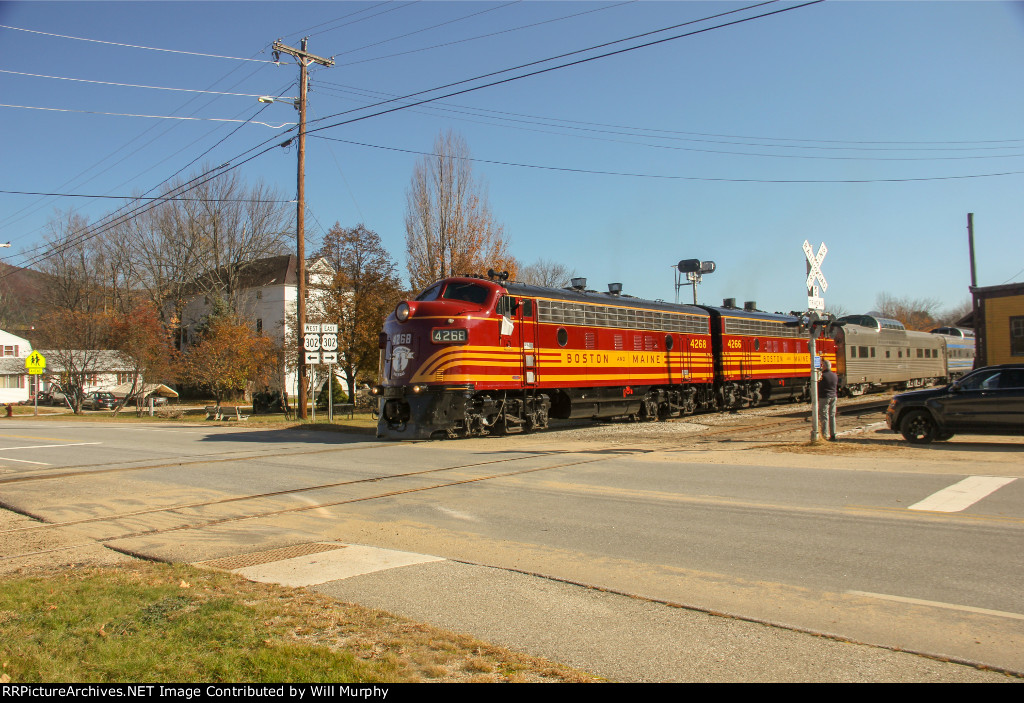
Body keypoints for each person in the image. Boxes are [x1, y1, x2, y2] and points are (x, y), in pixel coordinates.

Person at [818, 359, 839, 441]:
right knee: (832, 416)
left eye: (822, 366)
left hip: (825, 397)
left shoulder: (823, 376)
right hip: (834, 396)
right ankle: (833, 434)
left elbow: (818, 384)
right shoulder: (835, 375)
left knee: (824, 416)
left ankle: (824, 435)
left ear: (825, 366)